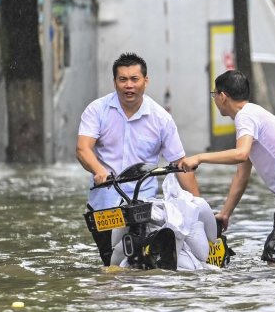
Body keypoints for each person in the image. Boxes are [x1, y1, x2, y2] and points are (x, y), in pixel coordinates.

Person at [178, 70, 275, 264]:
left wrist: (199, 157)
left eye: (215, 95)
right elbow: (242, 174)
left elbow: (240, 154)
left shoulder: (245, 116)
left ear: (223, 97)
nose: (214, 100)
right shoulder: (251, 115)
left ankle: (271, 293)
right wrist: (225, 213)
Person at [76, 52, 200, 265]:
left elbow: (180, 166)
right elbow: (83, 149)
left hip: (142, 206)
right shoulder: (97, 110)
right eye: (123, 79)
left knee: (144, 260)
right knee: (111, 265)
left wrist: (198, 205)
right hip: (104, 205)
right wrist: (99, 171)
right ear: (115, 82)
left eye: (134, 79)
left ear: (145, 81)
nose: (129, 85)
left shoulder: (161, 118)